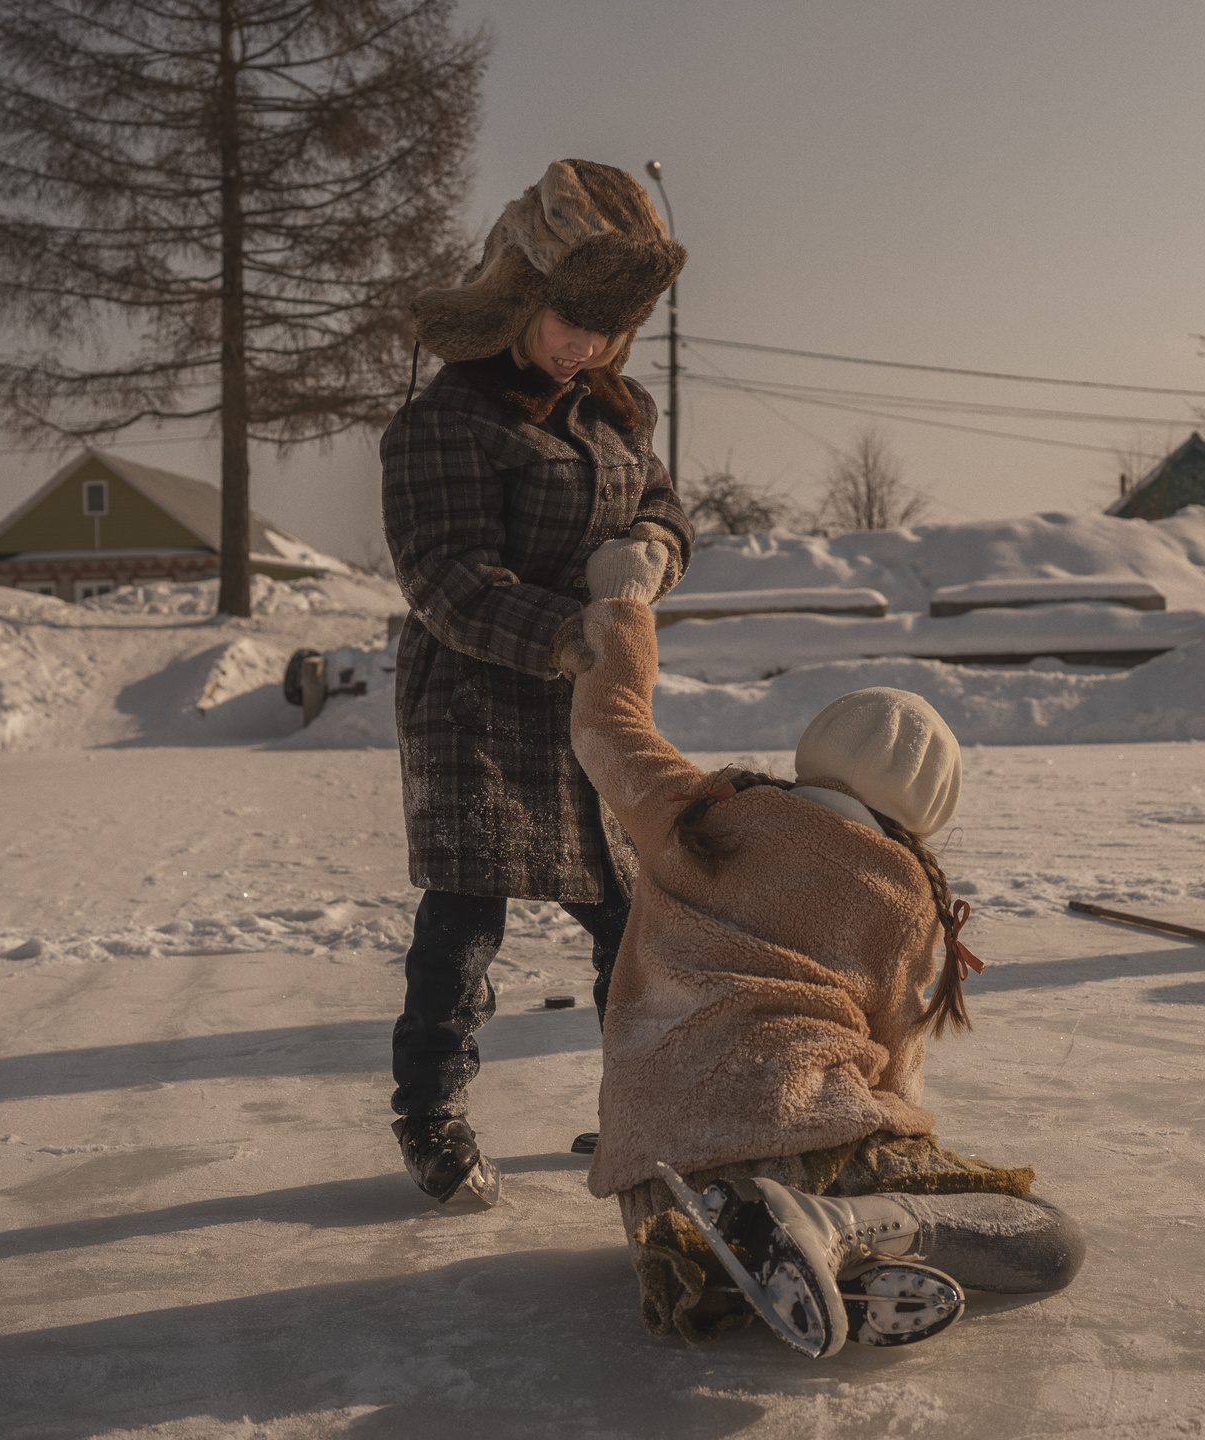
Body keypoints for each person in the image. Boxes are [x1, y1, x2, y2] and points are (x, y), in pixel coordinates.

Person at [557, 593, 1084, 1354]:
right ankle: (840, 1225)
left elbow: (605, 727)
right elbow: (898, 1075)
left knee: (705, 1242)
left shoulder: (695, 813)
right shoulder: (901, 894)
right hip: (804, 1132)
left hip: (656, 1170)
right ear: (928, 806)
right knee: (1051, 1240)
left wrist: (623, 601)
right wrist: (906, 1155)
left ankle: (740, 1257)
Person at [379, 159, 693, 1204]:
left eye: (609, 328)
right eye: (570, 319)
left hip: (586, 699)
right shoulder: (446, 419)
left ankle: (645, 1105)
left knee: (630, 912)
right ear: (519, 292)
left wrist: (649, 548)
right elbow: (448, 582)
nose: (586, 345)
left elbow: (665, 506)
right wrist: (580, 629)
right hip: (472, 698)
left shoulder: (614, 410)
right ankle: (432, 1116)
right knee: (466, 913)